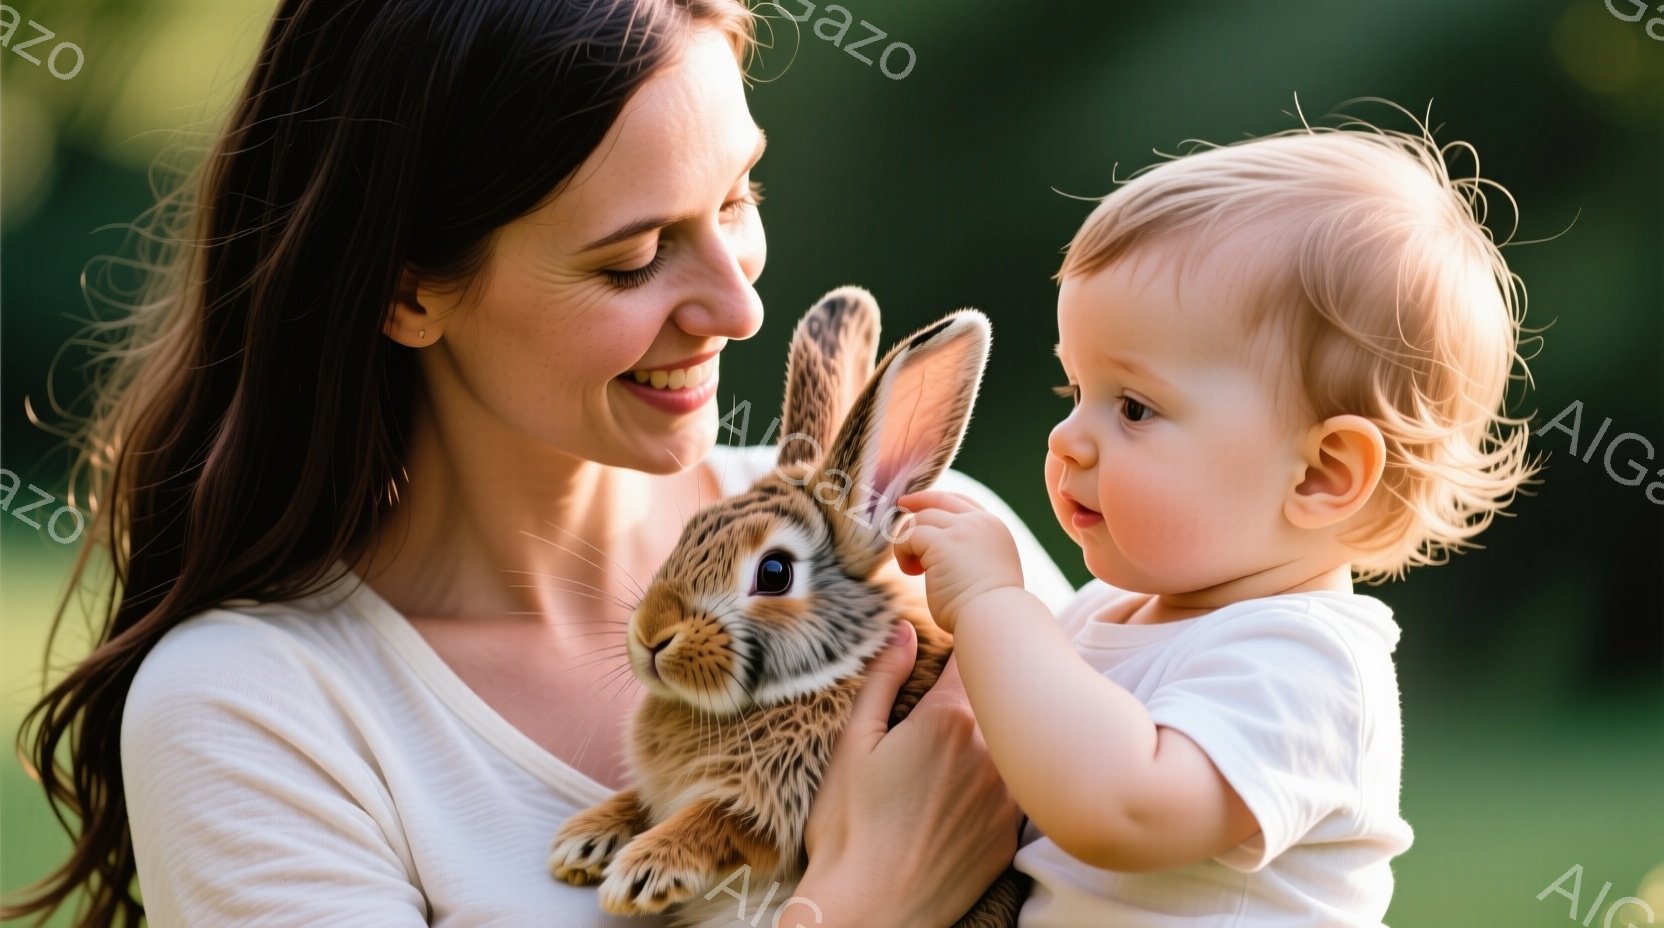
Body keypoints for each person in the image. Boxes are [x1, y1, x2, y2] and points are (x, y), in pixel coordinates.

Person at [2, 1, 1075, 925]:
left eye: (739, 197)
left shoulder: (945, 555)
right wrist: (868, 896)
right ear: (407, 288)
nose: (741, 306)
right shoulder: (258, 712)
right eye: (632, 259)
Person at [890, 116, 1540, 925]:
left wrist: (994, 608)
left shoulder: (1309, 666)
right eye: (1074, 391)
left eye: (1132, 406)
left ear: (1322, 474)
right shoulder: (1098, 618)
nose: (1066, 438)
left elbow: (1119, 808)